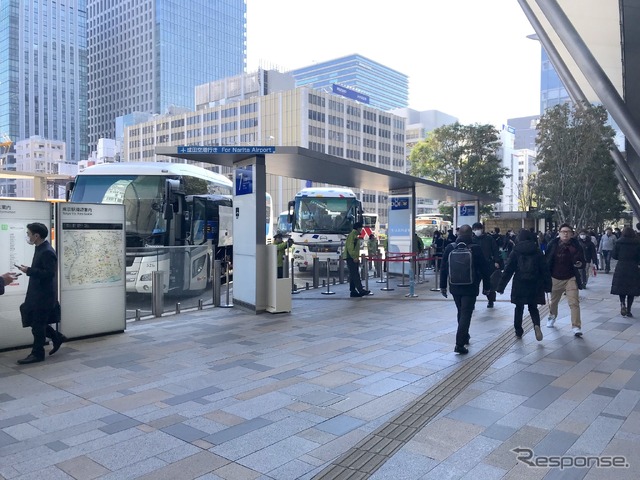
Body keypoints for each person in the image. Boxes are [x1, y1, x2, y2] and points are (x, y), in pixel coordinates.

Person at [15, 222, 67, 364]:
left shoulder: (47, 251)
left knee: (37, 326)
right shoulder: (40, 248)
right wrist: (29, 269)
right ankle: (57, 337)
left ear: (36, 235)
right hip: (37, 293)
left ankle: (37, 354)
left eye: (29, 234)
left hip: (43, 296)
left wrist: (29, 271)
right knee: (34, 320)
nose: (27, 236)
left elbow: (49, 273)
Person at [440, 224, 491, 355]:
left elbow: (444, 269)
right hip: (470, 286)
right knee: (466, 313)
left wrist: (443, 286)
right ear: (471, 235)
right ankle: (459, 344)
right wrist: (487, 287)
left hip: (455, 286)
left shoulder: (450, 248)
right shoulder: (476, 249)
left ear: (458, 234)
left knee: (461, 311)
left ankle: (464, 335)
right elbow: (485, 270)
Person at [497, 229, 552, 341]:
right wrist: (548, 286)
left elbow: (508, 270)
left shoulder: (515, 251)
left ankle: (518, 331)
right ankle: (536, 325)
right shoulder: (537, 251)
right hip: (535, 283)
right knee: (533, 307)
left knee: (519, 308)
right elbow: (545, 270)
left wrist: (501, 286)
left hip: (519, 283)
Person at [546, 223, 586, 336]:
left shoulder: (576, 246)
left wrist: (580, 264)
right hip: (555, 277)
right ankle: (552, 316)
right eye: (563, 231)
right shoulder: (553, 244)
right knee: (554, 302)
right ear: (559, 233)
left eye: (568, 232)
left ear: (572, 234)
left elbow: (582, 261)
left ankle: (576, 326)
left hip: (570, 278)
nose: (565, 233)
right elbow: (547, 261)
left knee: (574, 302)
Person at [610, 226, 640, 317]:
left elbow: (614, 255)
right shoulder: (637, 243)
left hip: (621, 266)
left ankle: (622, 303)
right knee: (631, 289)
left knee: (621, 288)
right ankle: (629, 310)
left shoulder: (619, 242)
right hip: (633, 267)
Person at [471, 222, 502, 308]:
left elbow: (495, 250)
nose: (477, 231)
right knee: (474, 285)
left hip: (488, 264)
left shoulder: (489, 239)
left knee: (489, 284)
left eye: (478, 229)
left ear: (482, 229)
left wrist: (496, 261)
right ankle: (472, 302)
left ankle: (491, 301)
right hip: (476, 265)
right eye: (475, 229)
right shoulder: (472, 240)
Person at [343, 222, 371, 298]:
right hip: (351, 258)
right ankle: (360, 290)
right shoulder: (352, 235)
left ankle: (353, 291)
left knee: (353, 274)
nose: (362, 230)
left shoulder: (354, 235)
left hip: (352, 257)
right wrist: (354, 257)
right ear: (358, 228)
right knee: (355, 274)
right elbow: (350, 247)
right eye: (361, 228)